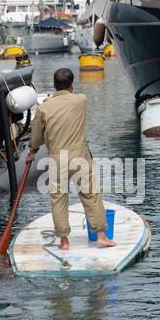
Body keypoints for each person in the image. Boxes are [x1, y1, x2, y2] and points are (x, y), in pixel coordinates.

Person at [26, 68, 116, 251]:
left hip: (57, 159)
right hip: (80, 158)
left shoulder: (44, 107)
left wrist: (32, 151)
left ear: (54, 85)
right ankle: (100, 236)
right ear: (72, 85)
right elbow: (73, 99)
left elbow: (37, 137)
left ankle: (64, 241)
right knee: (90, 195)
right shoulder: (80, 100)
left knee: (59, 199)